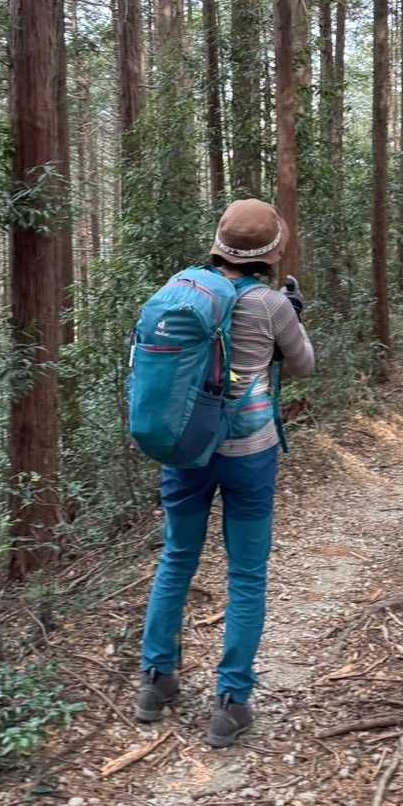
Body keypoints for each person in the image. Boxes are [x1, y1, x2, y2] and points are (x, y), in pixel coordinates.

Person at [136, 199, 314, 747]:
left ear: (221, 245)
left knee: (177, 558)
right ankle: (231, 703)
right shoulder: (270, 304)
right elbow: (304, 365)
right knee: (247, 574)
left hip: (186, 447)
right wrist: (290, 320)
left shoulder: (184, 290)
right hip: (249, 454)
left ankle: (156, 681)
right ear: (271, 252)